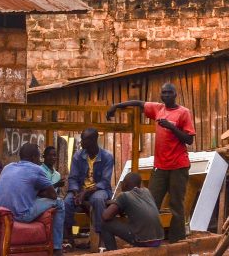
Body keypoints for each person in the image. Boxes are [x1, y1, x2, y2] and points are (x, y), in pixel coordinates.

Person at [107, 83, 195, 243]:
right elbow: (138, 103)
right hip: (160, 166)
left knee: (176, 204)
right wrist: (116, 106)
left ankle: (177, 239)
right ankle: (152, 236)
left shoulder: (183, 113)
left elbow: (189, 139)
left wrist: (171, 127)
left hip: (178, 166)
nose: (166, 95)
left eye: (169, 93)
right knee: (151, 201)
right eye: (163, 93)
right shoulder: (158, 109)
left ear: (175, 95)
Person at [0, 142, 65, 256]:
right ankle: (57, 248)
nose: (40, 160)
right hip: (20, 215)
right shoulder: (37, 169)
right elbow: (53, 196)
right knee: (60, 203)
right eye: (38, 157)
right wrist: (39, 192)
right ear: (33, 157)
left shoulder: (8, 167)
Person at [64, 128, 115, 248]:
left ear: (93, 140)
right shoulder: (78, 155)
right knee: (67, 202)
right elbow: (73, 178)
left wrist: (85, 192)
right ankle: (69, 237)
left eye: (84, 139)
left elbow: (105, 182)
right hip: (80, 189)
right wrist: (77, 192)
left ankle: (99, 235)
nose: (81, 142)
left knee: (98, 200)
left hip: (99, 190)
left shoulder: (107, 157)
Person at [99, 172, 165, 249]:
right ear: (139, 185)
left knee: (105, 224)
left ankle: (113, 253)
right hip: (159, 239)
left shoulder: (124, 196)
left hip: (143, 241)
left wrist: (112, 203)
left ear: (124, 184)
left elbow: (106, 216)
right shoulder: (147, 192)